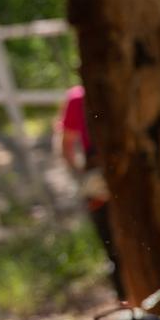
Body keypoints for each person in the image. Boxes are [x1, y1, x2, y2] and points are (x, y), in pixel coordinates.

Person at [57, 84, 124, 299]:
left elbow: (67, 145)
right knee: (113, 243)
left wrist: (80, 174)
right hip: (105, 174)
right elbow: (67, 144)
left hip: (114, 173)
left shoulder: (79, 97)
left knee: (115, 244)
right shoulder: (80, 98)